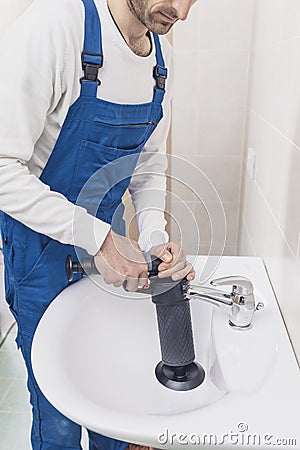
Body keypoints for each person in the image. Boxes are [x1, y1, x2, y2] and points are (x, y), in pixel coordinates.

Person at [0, 0, 196, 449]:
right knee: (60, 422)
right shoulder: (55, 28)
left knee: (115, 402)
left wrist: (153, 238)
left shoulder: (160, 60)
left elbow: (147, 168)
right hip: (41, 258)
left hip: (113, 252)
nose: (182, 13)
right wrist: (99, 237)